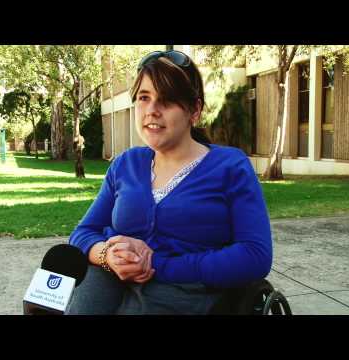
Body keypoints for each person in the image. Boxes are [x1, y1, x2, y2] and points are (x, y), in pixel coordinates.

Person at [66, 50, 272, 315]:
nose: (152, 110)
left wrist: (158, 264)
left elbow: (255, 255)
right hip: (107, 281)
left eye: (167, 100)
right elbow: (82, 233)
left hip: (185, 290)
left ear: (194, 110)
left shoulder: (230, 167)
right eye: (144, 97)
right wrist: (107, 255)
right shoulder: (125, 164)